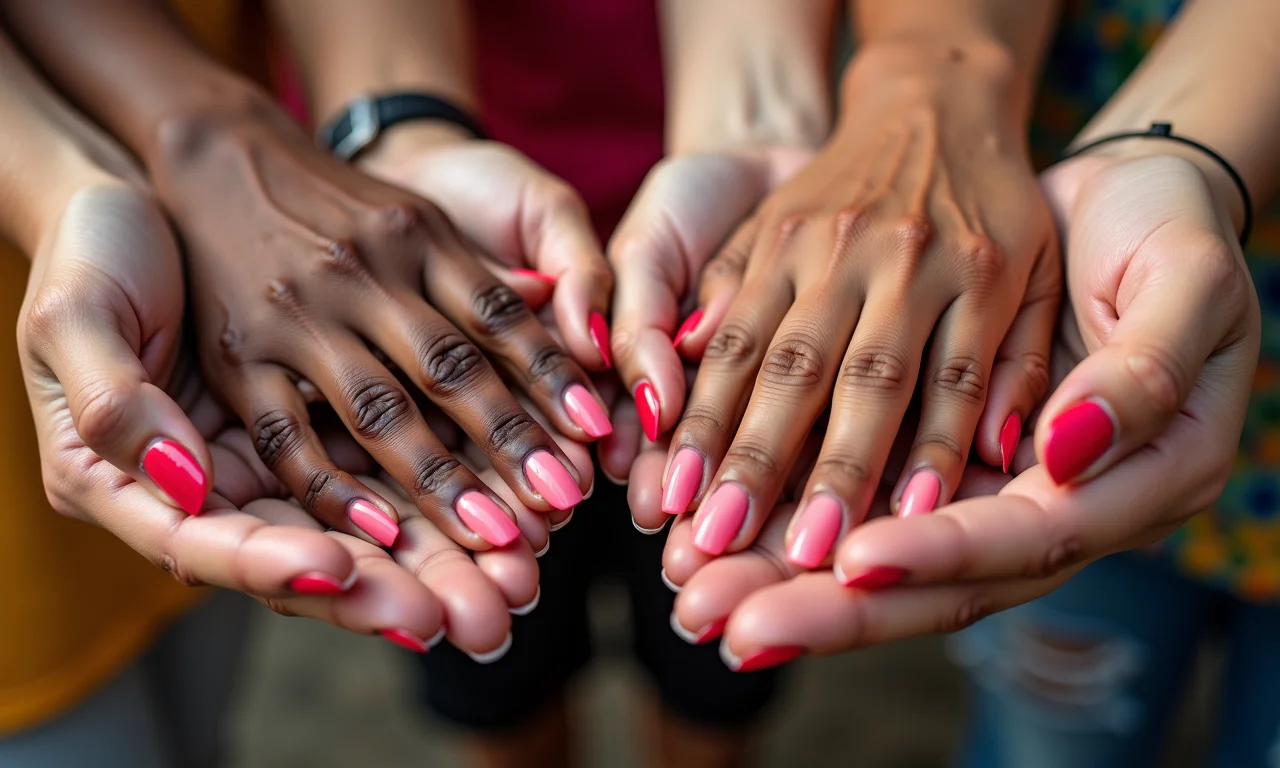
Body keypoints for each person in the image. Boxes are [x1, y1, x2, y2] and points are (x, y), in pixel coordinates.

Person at [664, 3, 1279, 764]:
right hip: (1069, 294)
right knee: (1051, 727)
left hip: (1081, 282)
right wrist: (935, 81)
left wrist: (1189, 150)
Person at [267, 1, 833, 765]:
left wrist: (764, 145)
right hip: (434, 269)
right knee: (501, 694)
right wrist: (399, 137)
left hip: (734, 270)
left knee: (714, 680)